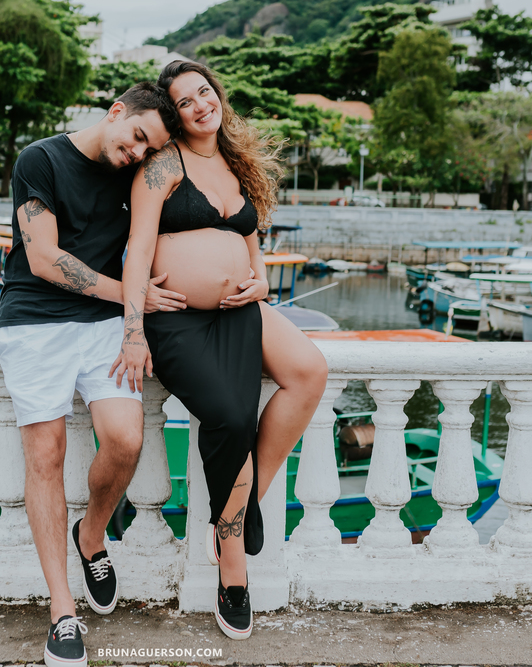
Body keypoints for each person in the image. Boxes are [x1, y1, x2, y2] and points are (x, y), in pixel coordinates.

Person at [114, 61, 328, 641]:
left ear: (218, 95)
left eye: (204, 92)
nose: (199, 105)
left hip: (241, 311)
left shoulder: (236, 162)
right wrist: (134, 329)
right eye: (184, 101)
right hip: (177, 319)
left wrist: (258, 278)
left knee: (309, 371)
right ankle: (234, 573)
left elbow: (248, 232)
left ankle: (235, 512)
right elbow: (137, 249)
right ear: (174, 113)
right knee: (231, 417)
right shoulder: (162, 164)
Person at [0, 82, 183, 667]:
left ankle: (92, 535)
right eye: (135, 138)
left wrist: (131, 320)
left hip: (104, 324)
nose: (136, 154)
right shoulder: (40, 160)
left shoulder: (140, 175)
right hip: (34, 322)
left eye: (148, 149)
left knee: (126, 440)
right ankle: (62, 611)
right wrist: (132, 300)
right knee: (45, 456)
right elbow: (44, 259)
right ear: (115, 112)